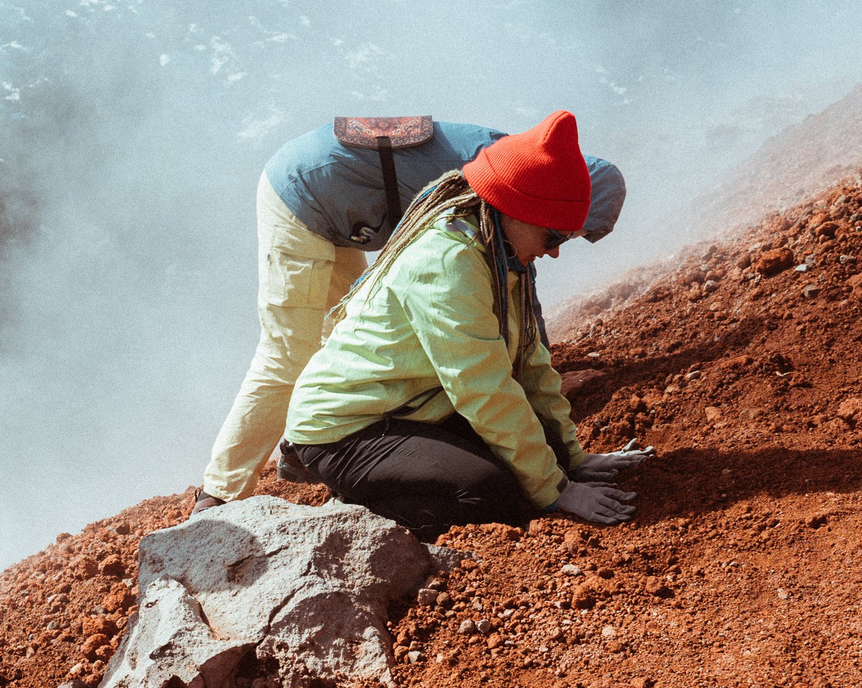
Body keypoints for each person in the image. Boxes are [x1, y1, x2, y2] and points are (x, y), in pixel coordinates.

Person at [196, 115, 626, 510]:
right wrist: (556, 491)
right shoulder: (456, 244)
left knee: (359, 336)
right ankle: (222, 491)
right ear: (525, 204)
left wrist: (570, 458)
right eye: (558, 234)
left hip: (335, 193)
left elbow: (523, 344)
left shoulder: (505, 212)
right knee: (290, 352)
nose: (554, 251)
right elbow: (482, 380)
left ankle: (341, 434)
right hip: (302, 193)